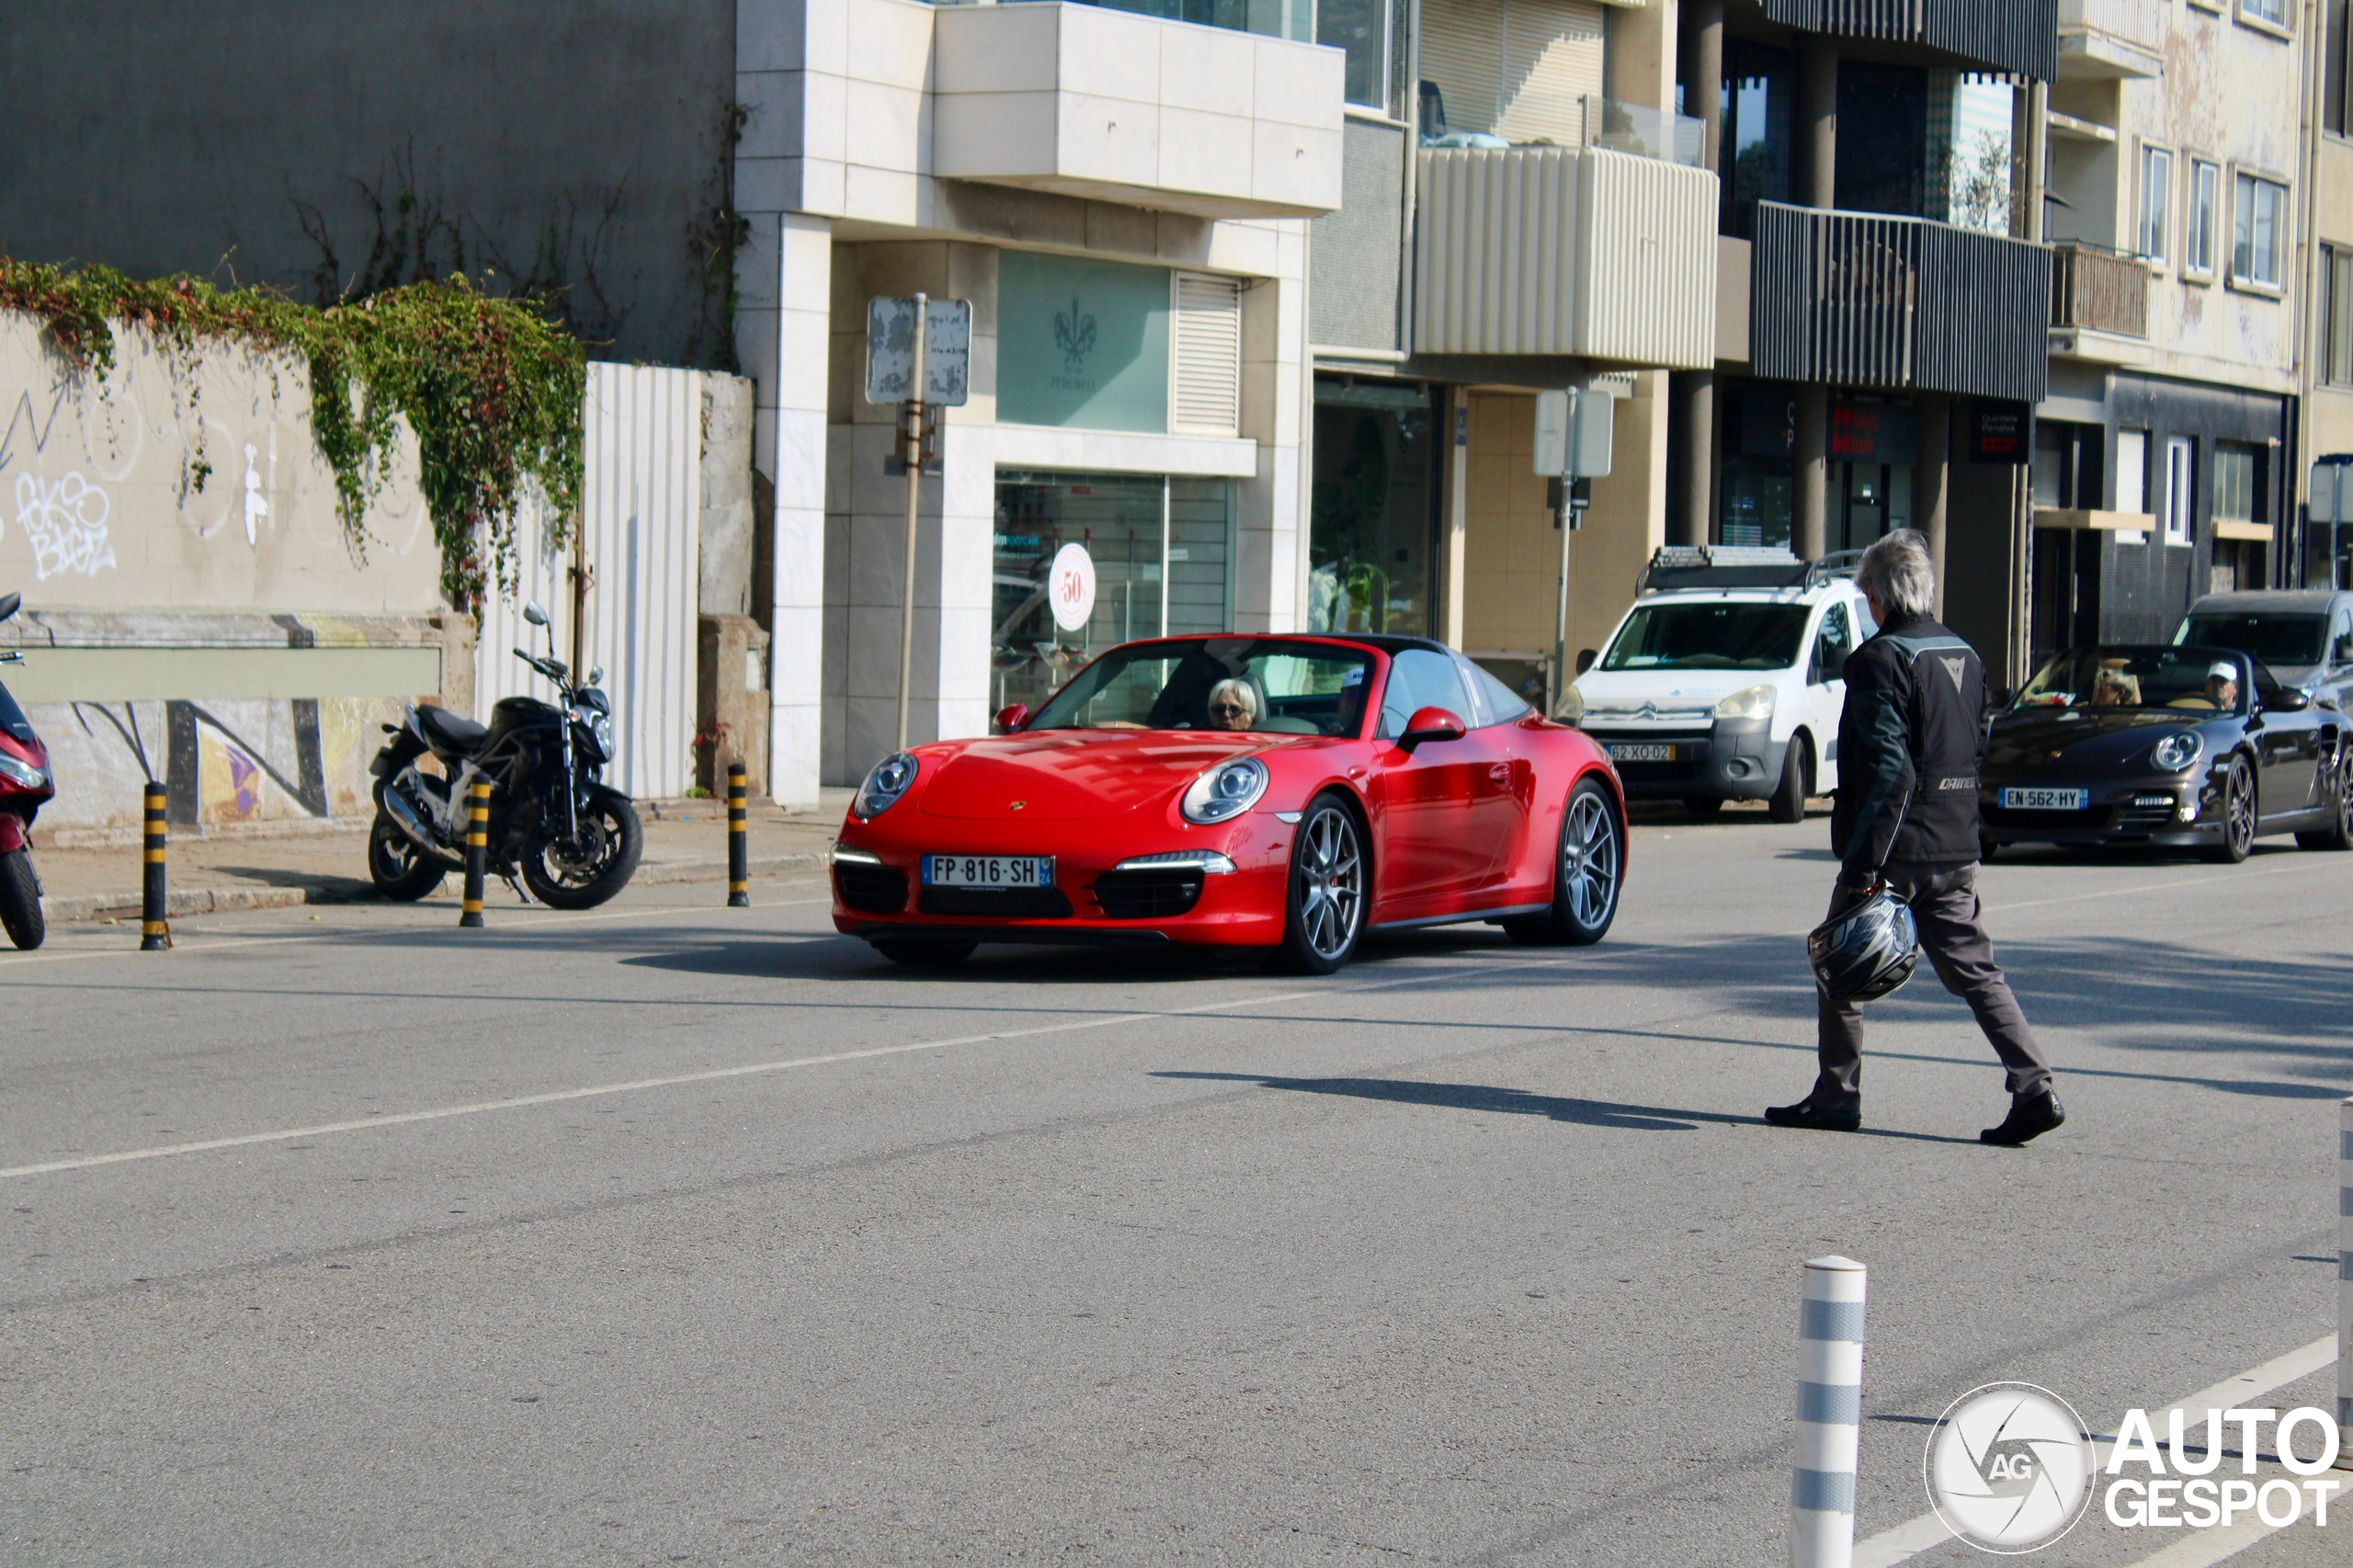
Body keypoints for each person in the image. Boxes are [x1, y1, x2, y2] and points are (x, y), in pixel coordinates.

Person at [1766, 529, 2063, 1146]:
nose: (1866, 606)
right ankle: (2034, 1086)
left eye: (1866, 594)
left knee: (1839, 964)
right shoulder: (1966, 654)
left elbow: (1888, 771)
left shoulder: (1880, 661)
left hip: (1896, 849)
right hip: (1956, 844)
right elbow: (1977, 746)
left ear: (1879, 594)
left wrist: (1864, 865)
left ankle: (1836, 1095)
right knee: (1979, 974)